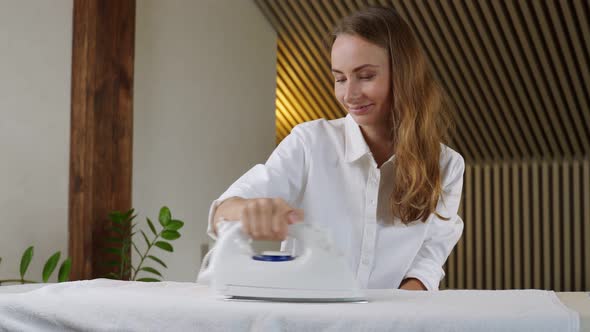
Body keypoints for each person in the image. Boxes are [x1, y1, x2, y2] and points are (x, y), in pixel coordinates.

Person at [207, 6, 464, 291]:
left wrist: (385, 319)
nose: (349, 94)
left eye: (365, 76)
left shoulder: (447, 166)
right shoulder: (309, 142)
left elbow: (427, 262)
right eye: (340, 78)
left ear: (404, 74)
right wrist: (248, 209)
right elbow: (225, 209)